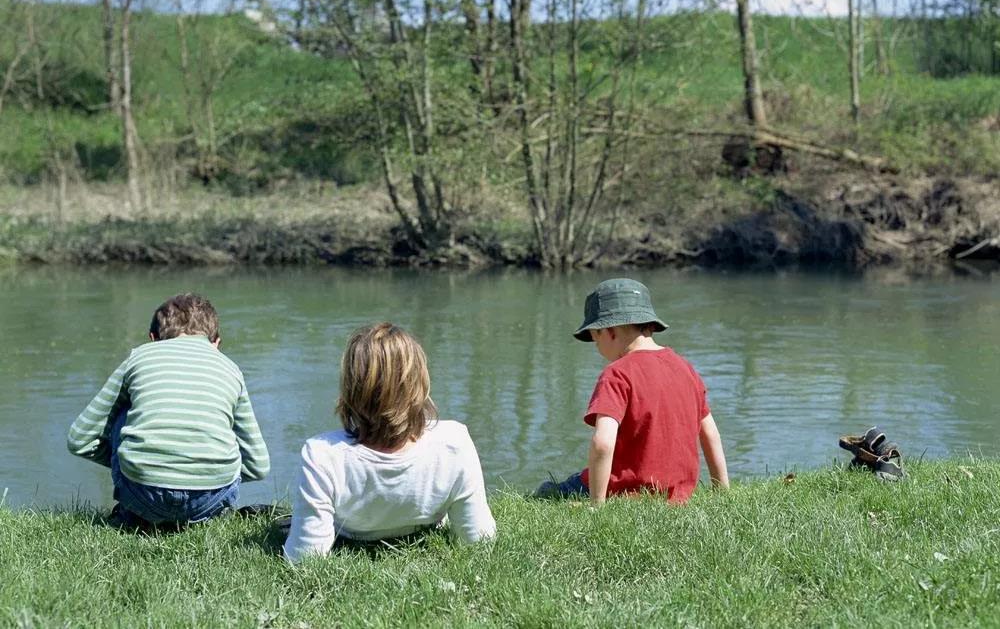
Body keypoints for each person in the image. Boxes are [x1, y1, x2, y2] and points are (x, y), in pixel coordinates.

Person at [283, 322, 495, 561]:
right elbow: (478, 538)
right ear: (419, 382)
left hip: (351, 536)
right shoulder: (455, 443)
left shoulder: (322, 454)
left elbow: (304, 559)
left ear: (352, 387)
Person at [67, 293, 270, 527]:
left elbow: (79, 439)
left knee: (125, 410)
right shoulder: (231, 369)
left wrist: (128, 461)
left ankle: (136, 508)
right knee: (223, 421)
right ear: (217, 343)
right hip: (210, 501)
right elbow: (258, 466)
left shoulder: (140, 357)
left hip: (142, 495)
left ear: (153, 338)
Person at [535, 278, 729, 504]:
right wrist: (721, 491)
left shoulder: (616, 374)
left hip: (624, 491)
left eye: (595, 339)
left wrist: (597, 505)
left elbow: (602, 443)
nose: (597, 348)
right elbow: (710, 434)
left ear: (610, 331)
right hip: (676, 495)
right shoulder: (685, 368)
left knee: (547, 492)